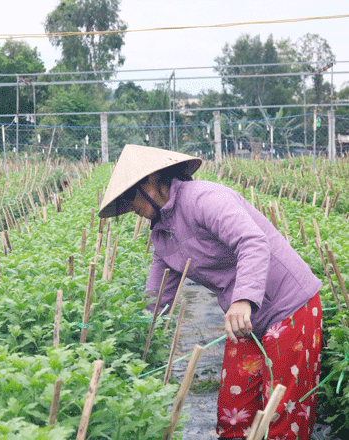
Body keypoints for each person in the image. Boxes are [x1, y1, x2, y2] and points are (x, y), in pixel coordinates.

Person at [98, 144, 322, 440]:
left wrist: (243, 300)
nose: (130, 208)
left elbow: (252, 242)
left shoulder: (204, 198)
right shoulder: (162, 235)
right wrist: (129, 343)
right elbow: (155, 300)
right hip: (245, 319)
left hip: (290, 305)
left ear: (150, 182)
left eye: (130, 197)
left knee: (281, 415)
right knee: (234, 413)